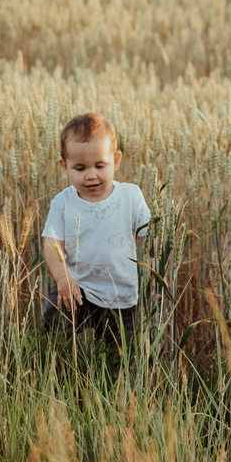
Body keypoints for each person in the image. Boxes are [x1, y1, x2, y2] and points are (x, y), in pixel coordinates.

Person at [40, 112, 150, 345]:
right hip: (76, 288)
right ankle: (54, 370)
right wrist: (62, 277)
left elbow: (149, 239)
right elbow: (52, 244)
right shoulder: (63, 203)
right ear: (65, 167)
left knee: (119, 354)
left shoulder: (130, 196)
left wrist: (153, 273)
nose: (91, 175)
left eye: (100, 165)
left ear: (116, 161)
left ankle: (113, 379)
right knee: (52, 333)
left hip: (121, 294)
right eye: (80, 168)